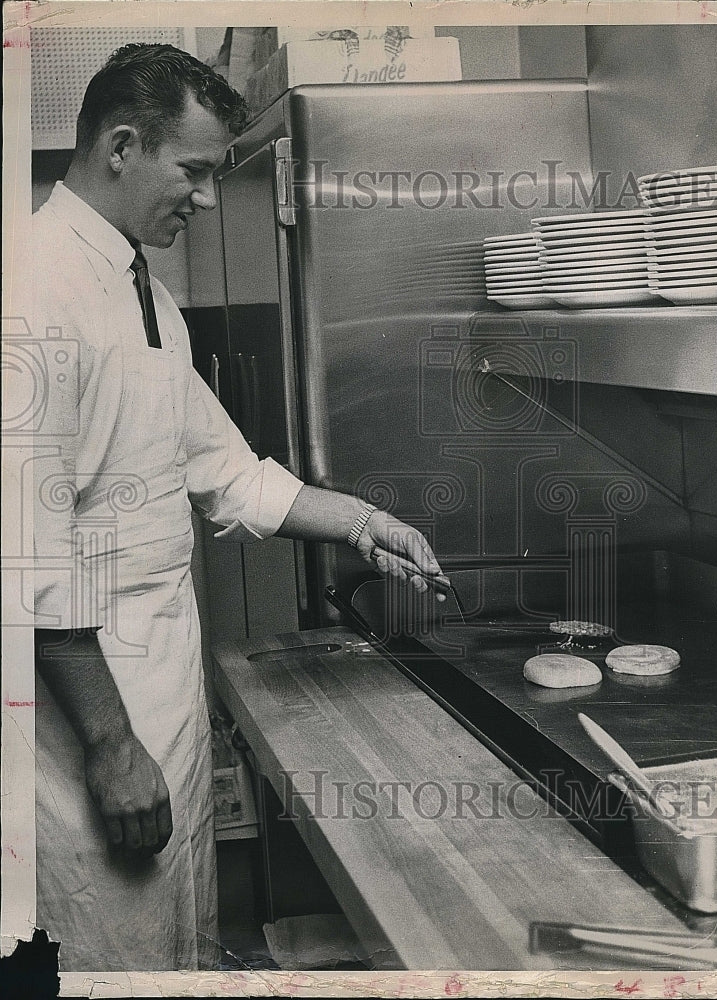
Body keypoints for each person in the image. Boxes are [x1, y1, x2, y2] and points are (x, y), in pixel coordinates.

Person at [22, 43, 449, 972]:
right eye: (198, 171)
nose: (208, 198)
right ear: (123, 146)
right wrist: (109, 745)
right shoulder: (32, 290)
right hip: (76, 721)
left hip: (156, 679)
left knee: (170, 939)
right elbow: (29, 553)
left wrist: (367, 524)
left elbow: (229, 471)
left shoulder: (143, 295)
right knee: (103, 949)